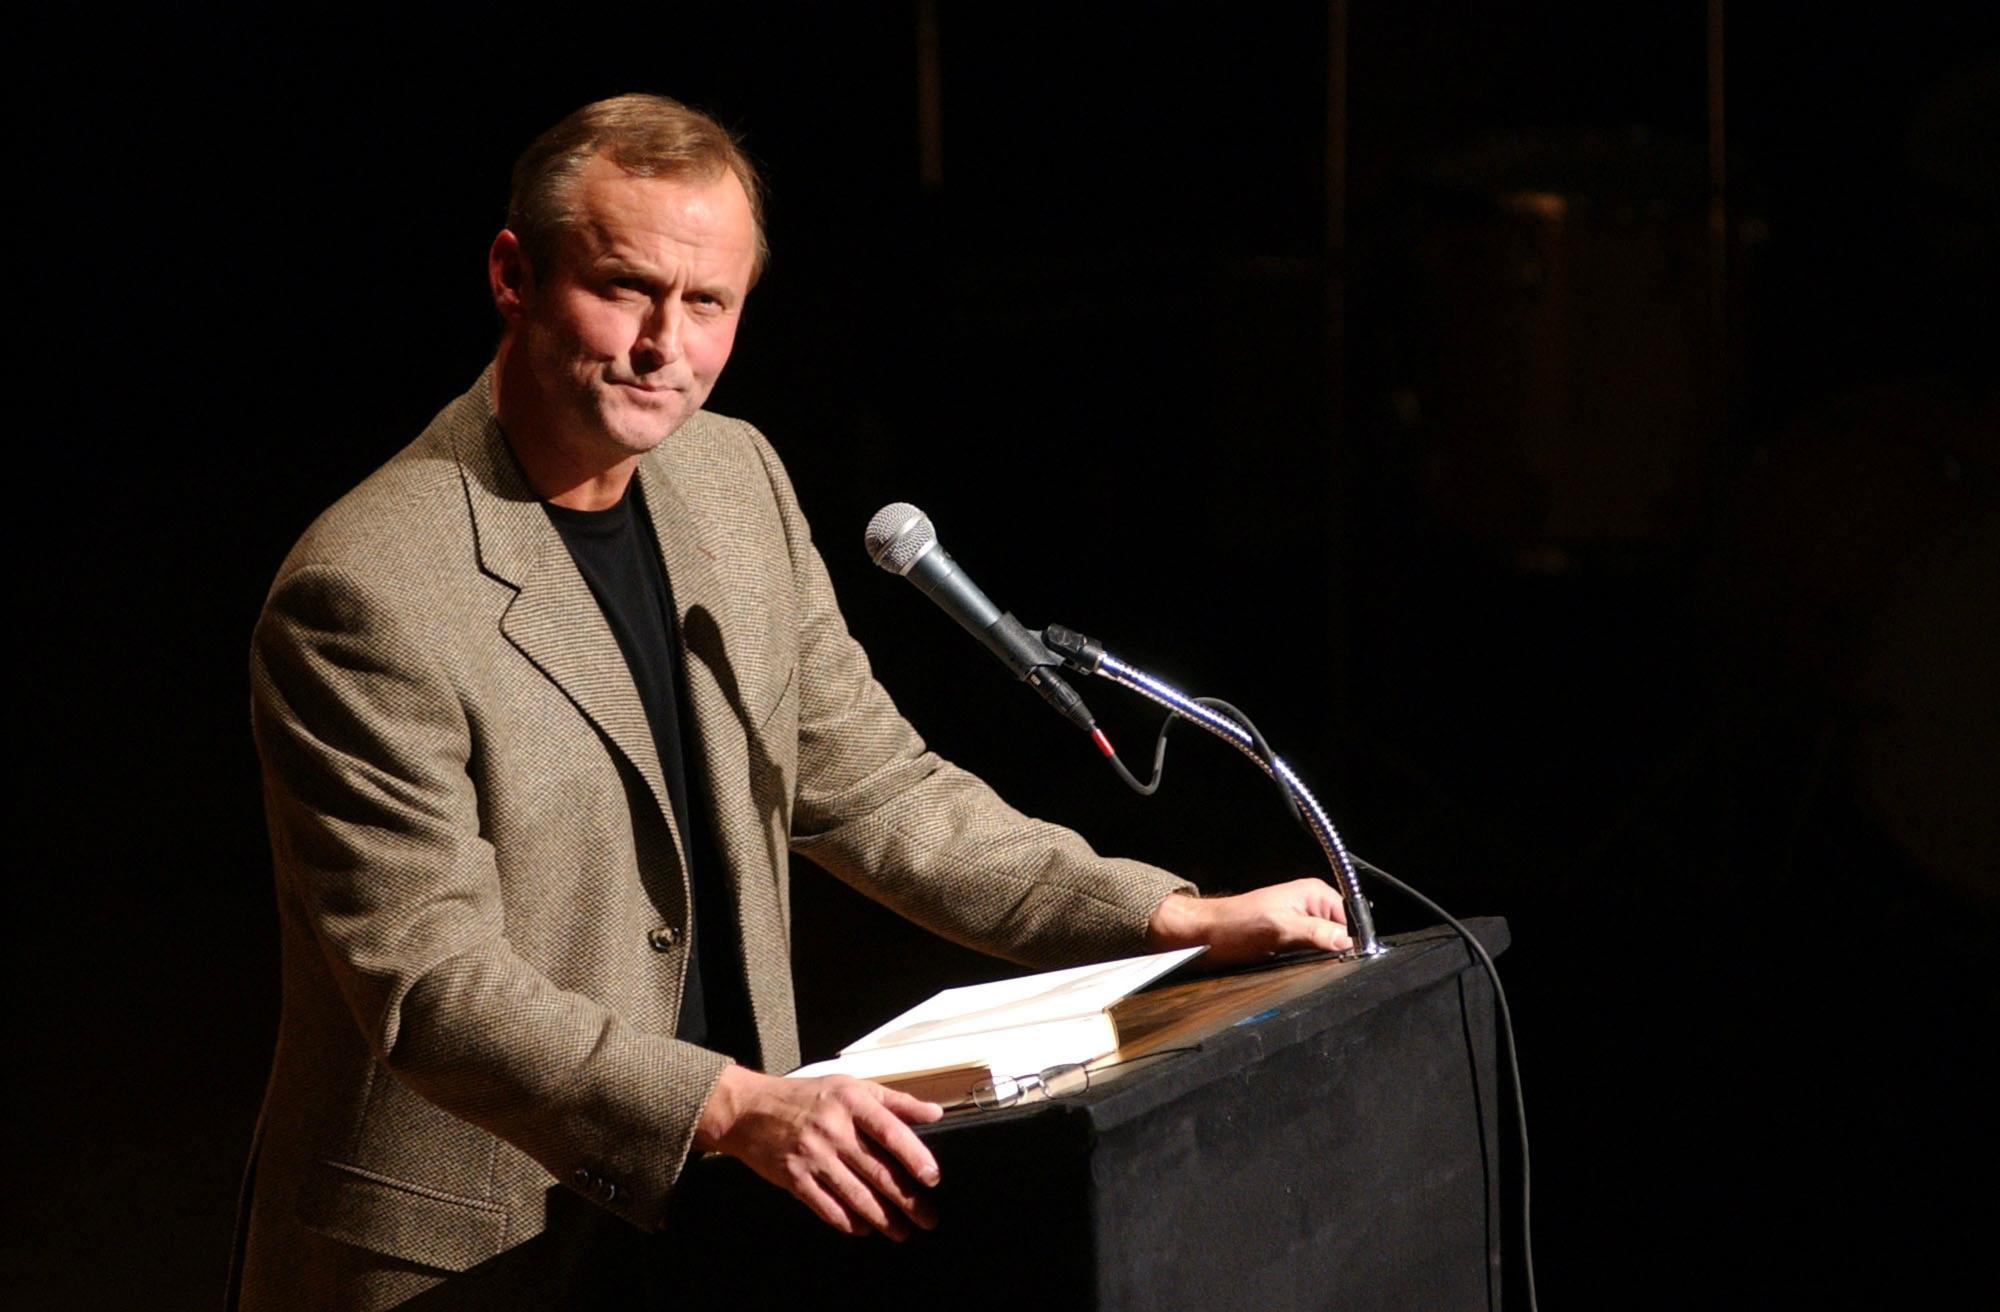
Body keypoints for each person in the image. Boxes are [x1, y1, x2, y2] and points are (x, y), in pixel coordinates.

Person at [232, 93, 1353, 1310]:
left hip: (710, 1215)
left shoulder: (733, 480)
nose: (666, 345)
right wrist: (729, 1104)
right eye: (623, 287)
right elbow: (432, 981)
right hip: (468, 1249)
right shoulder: (366, 590)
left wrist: (1169, 918)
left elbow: (877, 791)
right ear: (513, 274)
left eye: (706, 303)